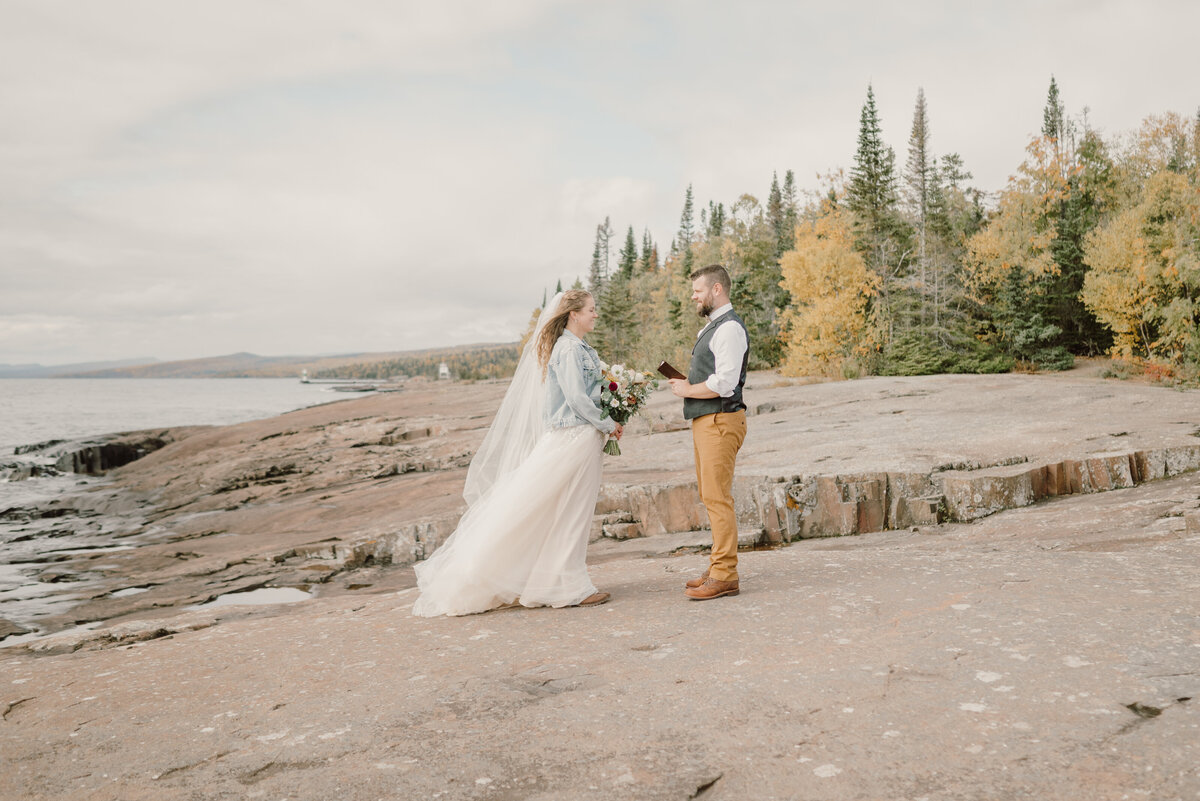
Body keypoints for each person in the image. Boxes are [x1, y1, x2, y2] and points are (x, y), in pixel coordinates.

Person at [412, 289, 623, 616]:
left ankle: (550, 581)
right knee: (570, 512)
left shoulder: (576, 347)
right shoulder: (568, 349)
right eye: (591, 309)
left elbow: (587, 395)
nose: (596, 314)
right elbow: (577, 399)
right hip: (573, 436)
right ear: (574, 314)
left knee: (563, 510)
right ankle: (568, 587)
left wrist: (612, 409)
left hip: (579, 435)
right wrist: (609, 423)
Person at [668, 264, 749, 600]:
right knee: (710, 495)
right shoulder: (714, 326)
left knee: (717, 498)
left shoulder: (728, 328)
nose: (693, 296)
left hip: (720, 420)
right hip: (707, 421)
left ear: (717, 289)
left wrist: (687, 389)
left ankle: (726, 574)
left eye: (698, 291)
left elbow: (725, 383)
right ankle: (718, 565)